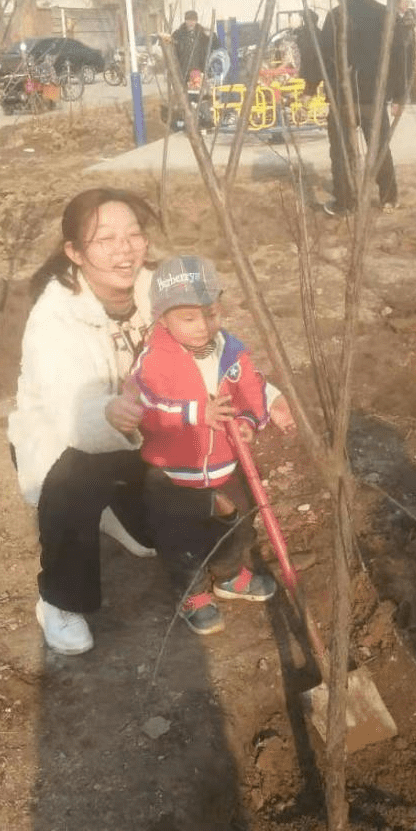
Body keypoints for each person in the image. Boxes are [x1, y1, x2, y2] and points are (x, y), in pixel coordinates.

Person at [7, 188, 164, 656]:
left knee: (156, 538)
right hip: (69, 443)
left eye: (134, 234)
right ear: (74, 252)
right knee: (77, 478)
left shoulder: (159, 293)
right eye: (106, 239)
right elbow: (73, 416)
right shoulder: (55, 319)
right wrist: (110, 414)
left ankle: (117, 511)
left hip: (140, 434)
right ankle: (60, 598)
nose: (125, 248)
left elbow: (210, 348)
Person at [132, 255, 287, 636]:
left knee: (238, 520)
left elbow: (250, 389)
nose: (203, 326)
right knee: (182, 537)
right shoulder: (154, 361)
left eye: (211, 314)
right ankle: (193, 592)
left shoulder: (230, 351)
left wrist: (252, 420)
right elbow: (142, 409)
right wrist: (193, 413)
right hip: (171, 473)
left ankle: (230, 574)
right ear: (162, 318)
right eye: (189, 318)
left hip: (226, 464)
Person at [314, 0, 407, 215]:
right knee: (379, 148)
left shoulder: (336, 16)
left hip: (342, 97)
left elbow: (322, 56)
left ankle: (346, 202)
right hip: (374, 96)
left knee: (342, 150)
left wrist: (312, 87)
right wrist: (399, 95)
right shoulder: (385, 14)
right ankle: (389, 197)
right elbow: (399, 56)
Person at [171, 10, 216, 84]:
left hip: (198, 68)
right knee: (183, 90)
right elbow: (172, 52)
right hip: (183, 68)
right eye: (188, 20)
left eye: (193, 20)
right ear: (185, 21)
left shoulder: (201, 33)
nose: (191, 23)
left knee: (196, 89)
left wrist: (211, 35)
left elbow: (214, 43)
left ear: (196, 21)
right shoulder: (178, 34)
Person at [395, 0, 416, 104]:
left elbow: (412, 22)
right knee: (398, 73)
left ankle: (414, 96)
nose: (406, 5)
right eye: (403, 2)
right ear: (397, 3)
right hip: (397, 48)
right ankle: (399, 97)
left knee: (411, 72)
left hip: (409, 47)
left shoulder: (410, 14)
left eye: (407, 2)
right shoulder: (393, 15)